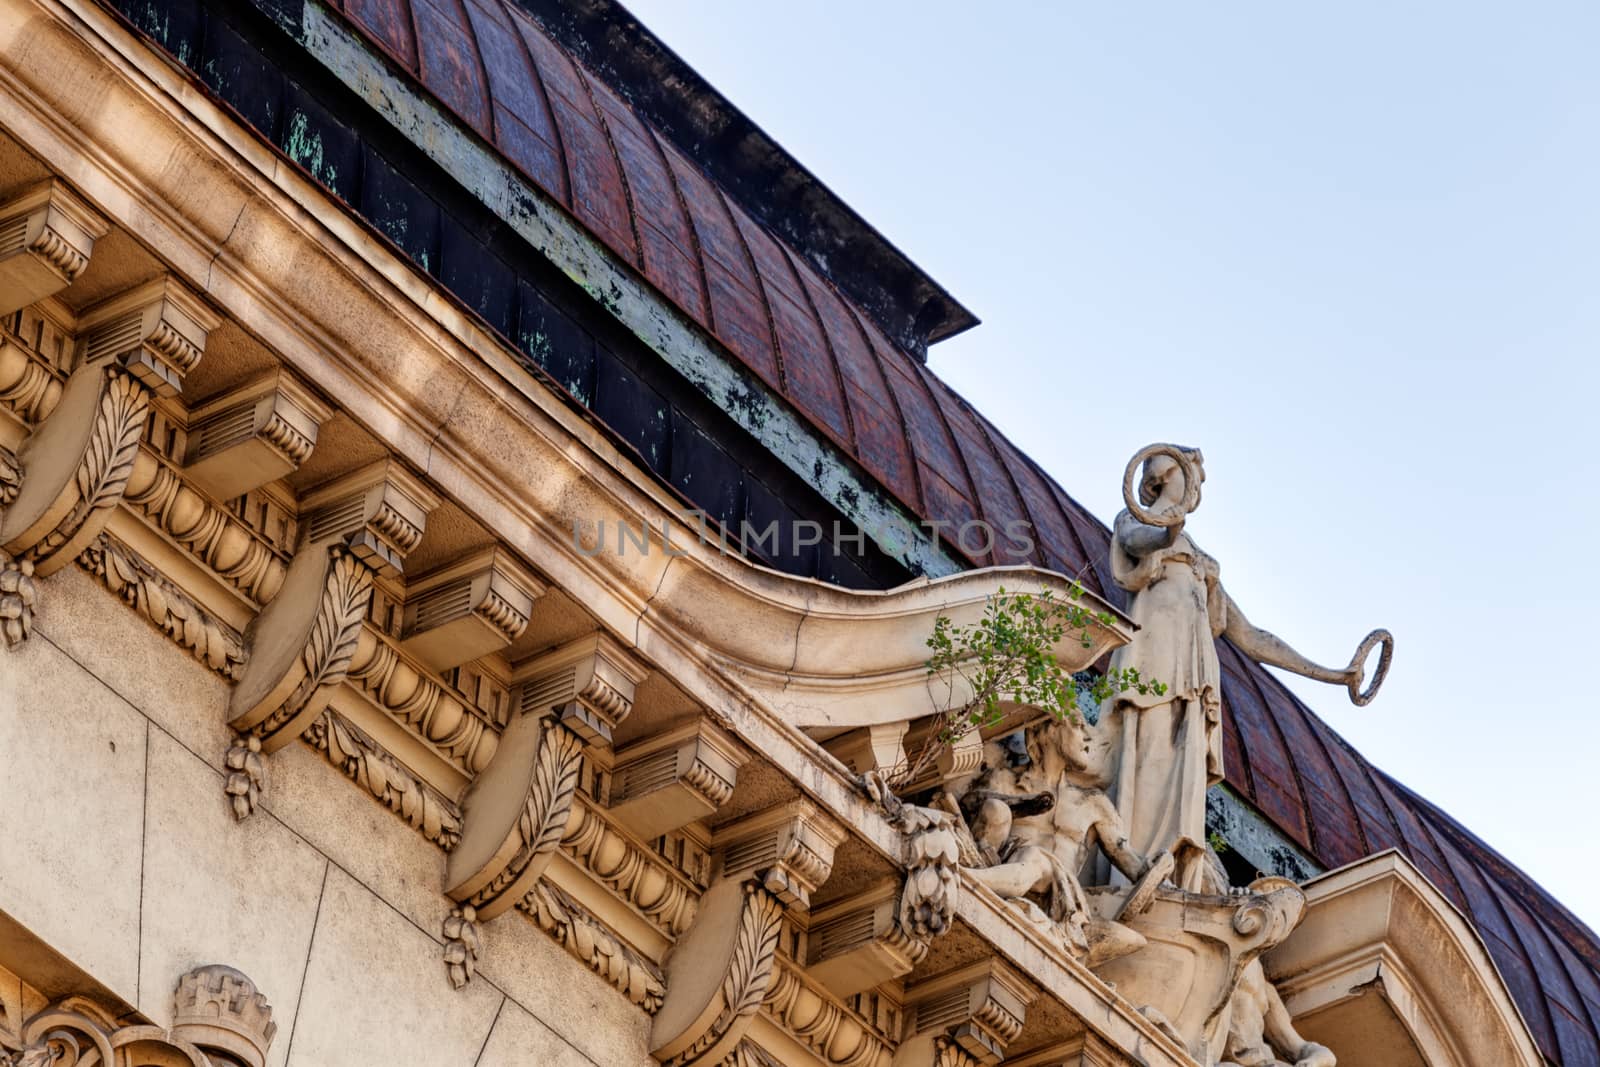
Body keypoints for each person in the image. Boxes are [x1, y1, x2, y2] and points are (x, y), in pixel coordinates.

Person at [1104, 447, 1363, 890]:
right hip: (1154, 662)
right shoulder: (1138, 522)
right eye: (1195, 478)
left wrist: (1334, 674)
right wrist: (1172, 526)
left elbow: (1252, 638)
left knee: (1180, 763)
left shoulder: (1200, 561)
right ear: (1167, 473)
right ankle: (1131, 867)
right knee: (1147, 751)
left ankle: (1170, 869)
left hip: (1193, 673)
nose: (1198, 489)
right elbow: (1140, 543)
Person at [963, 714, 1157, 966]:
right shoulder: (1005, 780)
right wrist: (1022, 806)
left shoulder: (1093, 804)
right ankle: (973, 879)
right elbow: (970, 807)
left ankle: (968, 880)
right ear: (1050, 732)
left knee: (1129, 938)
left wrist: (1156, 874)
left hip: (1059, 898)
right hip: (1004, 862)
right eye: (1078, 726)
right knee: (1021, 842)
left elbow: (1133, 865)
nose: (1087, 737)